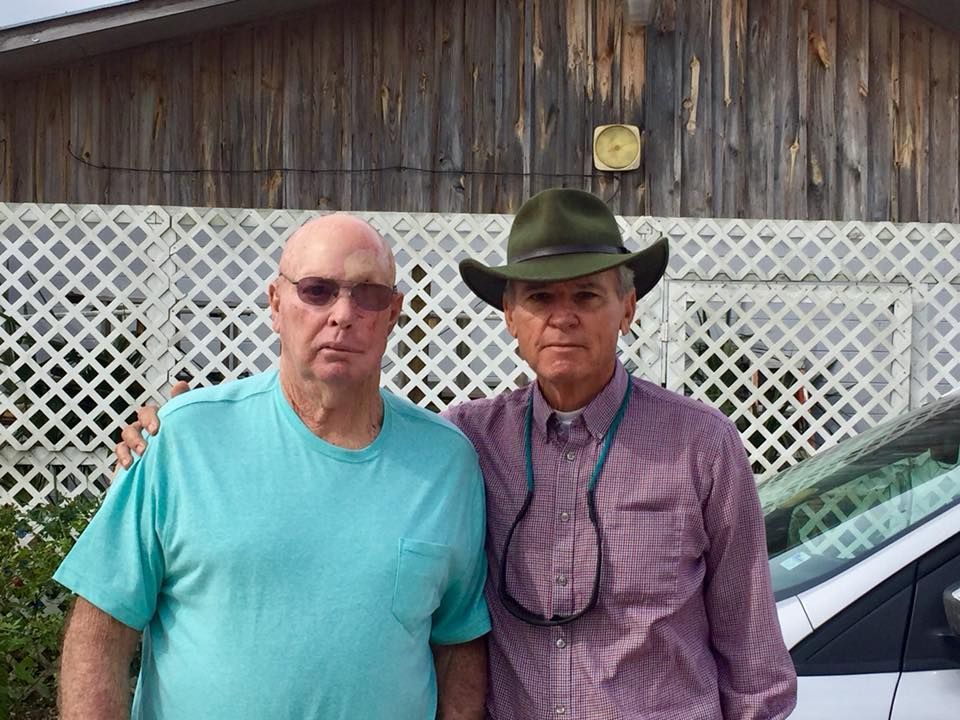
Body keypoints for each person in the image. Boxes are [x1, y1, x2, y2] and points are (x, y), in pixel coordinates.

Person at [117, 189, 797, 719]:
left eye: (587, 296)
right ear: (510, 317)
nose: (562, 316)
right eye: (539, 297)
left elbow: (754, 662)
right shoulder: (461, 445)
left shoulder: (701, 447)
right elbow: (343, 431)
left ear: (627, 309)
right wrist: (168, 429)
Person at [56, 214, 490, 720]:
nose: (344, 313)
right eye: (317, 290)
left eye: (368, 295)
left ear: (393, 313)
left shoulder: (445, 462)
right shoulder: (184, 439)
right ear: (276, 304)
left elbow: (458, 645)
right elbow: (99, 637)